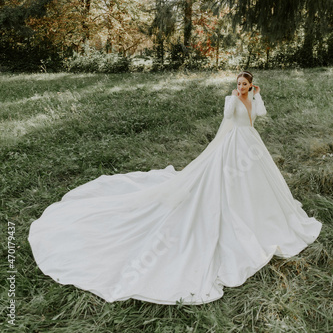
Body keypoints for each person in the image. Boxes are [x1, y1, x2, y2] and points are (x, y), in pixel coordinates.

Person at [28, 71, 321, 305]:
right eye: (239, 83)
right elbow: (226, 123)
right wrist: (226, 123)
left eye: (245, 84)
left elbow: (261, 116)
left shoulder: (252, 97)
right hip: (232, 145)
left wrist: (257, 97)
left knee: (257, 186)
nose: (241, 87)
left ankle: (261, 214)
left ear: (251, 84)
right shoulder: (231, 99)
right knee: (224, 183)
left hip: (251, 146)